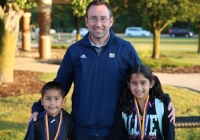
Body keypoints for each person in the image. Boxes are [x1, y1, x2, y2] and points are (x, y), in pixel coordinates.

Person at [29, 0, 175, 140]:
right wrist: (38, 107)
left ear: (111, 21)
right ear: (86, 21)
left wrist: (165, 100)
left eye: (103, 18)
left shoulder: (125, 49)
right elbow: (59, 86)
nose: (98, 24)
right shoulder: (75, 51)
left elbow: (143, 80)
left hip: (116, 129)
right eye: (93, 18)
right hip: (81, 130)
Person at [112, 65, 175, 140]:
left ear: (151, 83)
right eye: (134, 83)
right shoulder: (123, 107)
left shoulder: (162, 107)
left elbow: (169, 136)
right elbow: (117, 136)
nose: (139, 88)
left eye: (143, 83)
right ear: (129, 84)